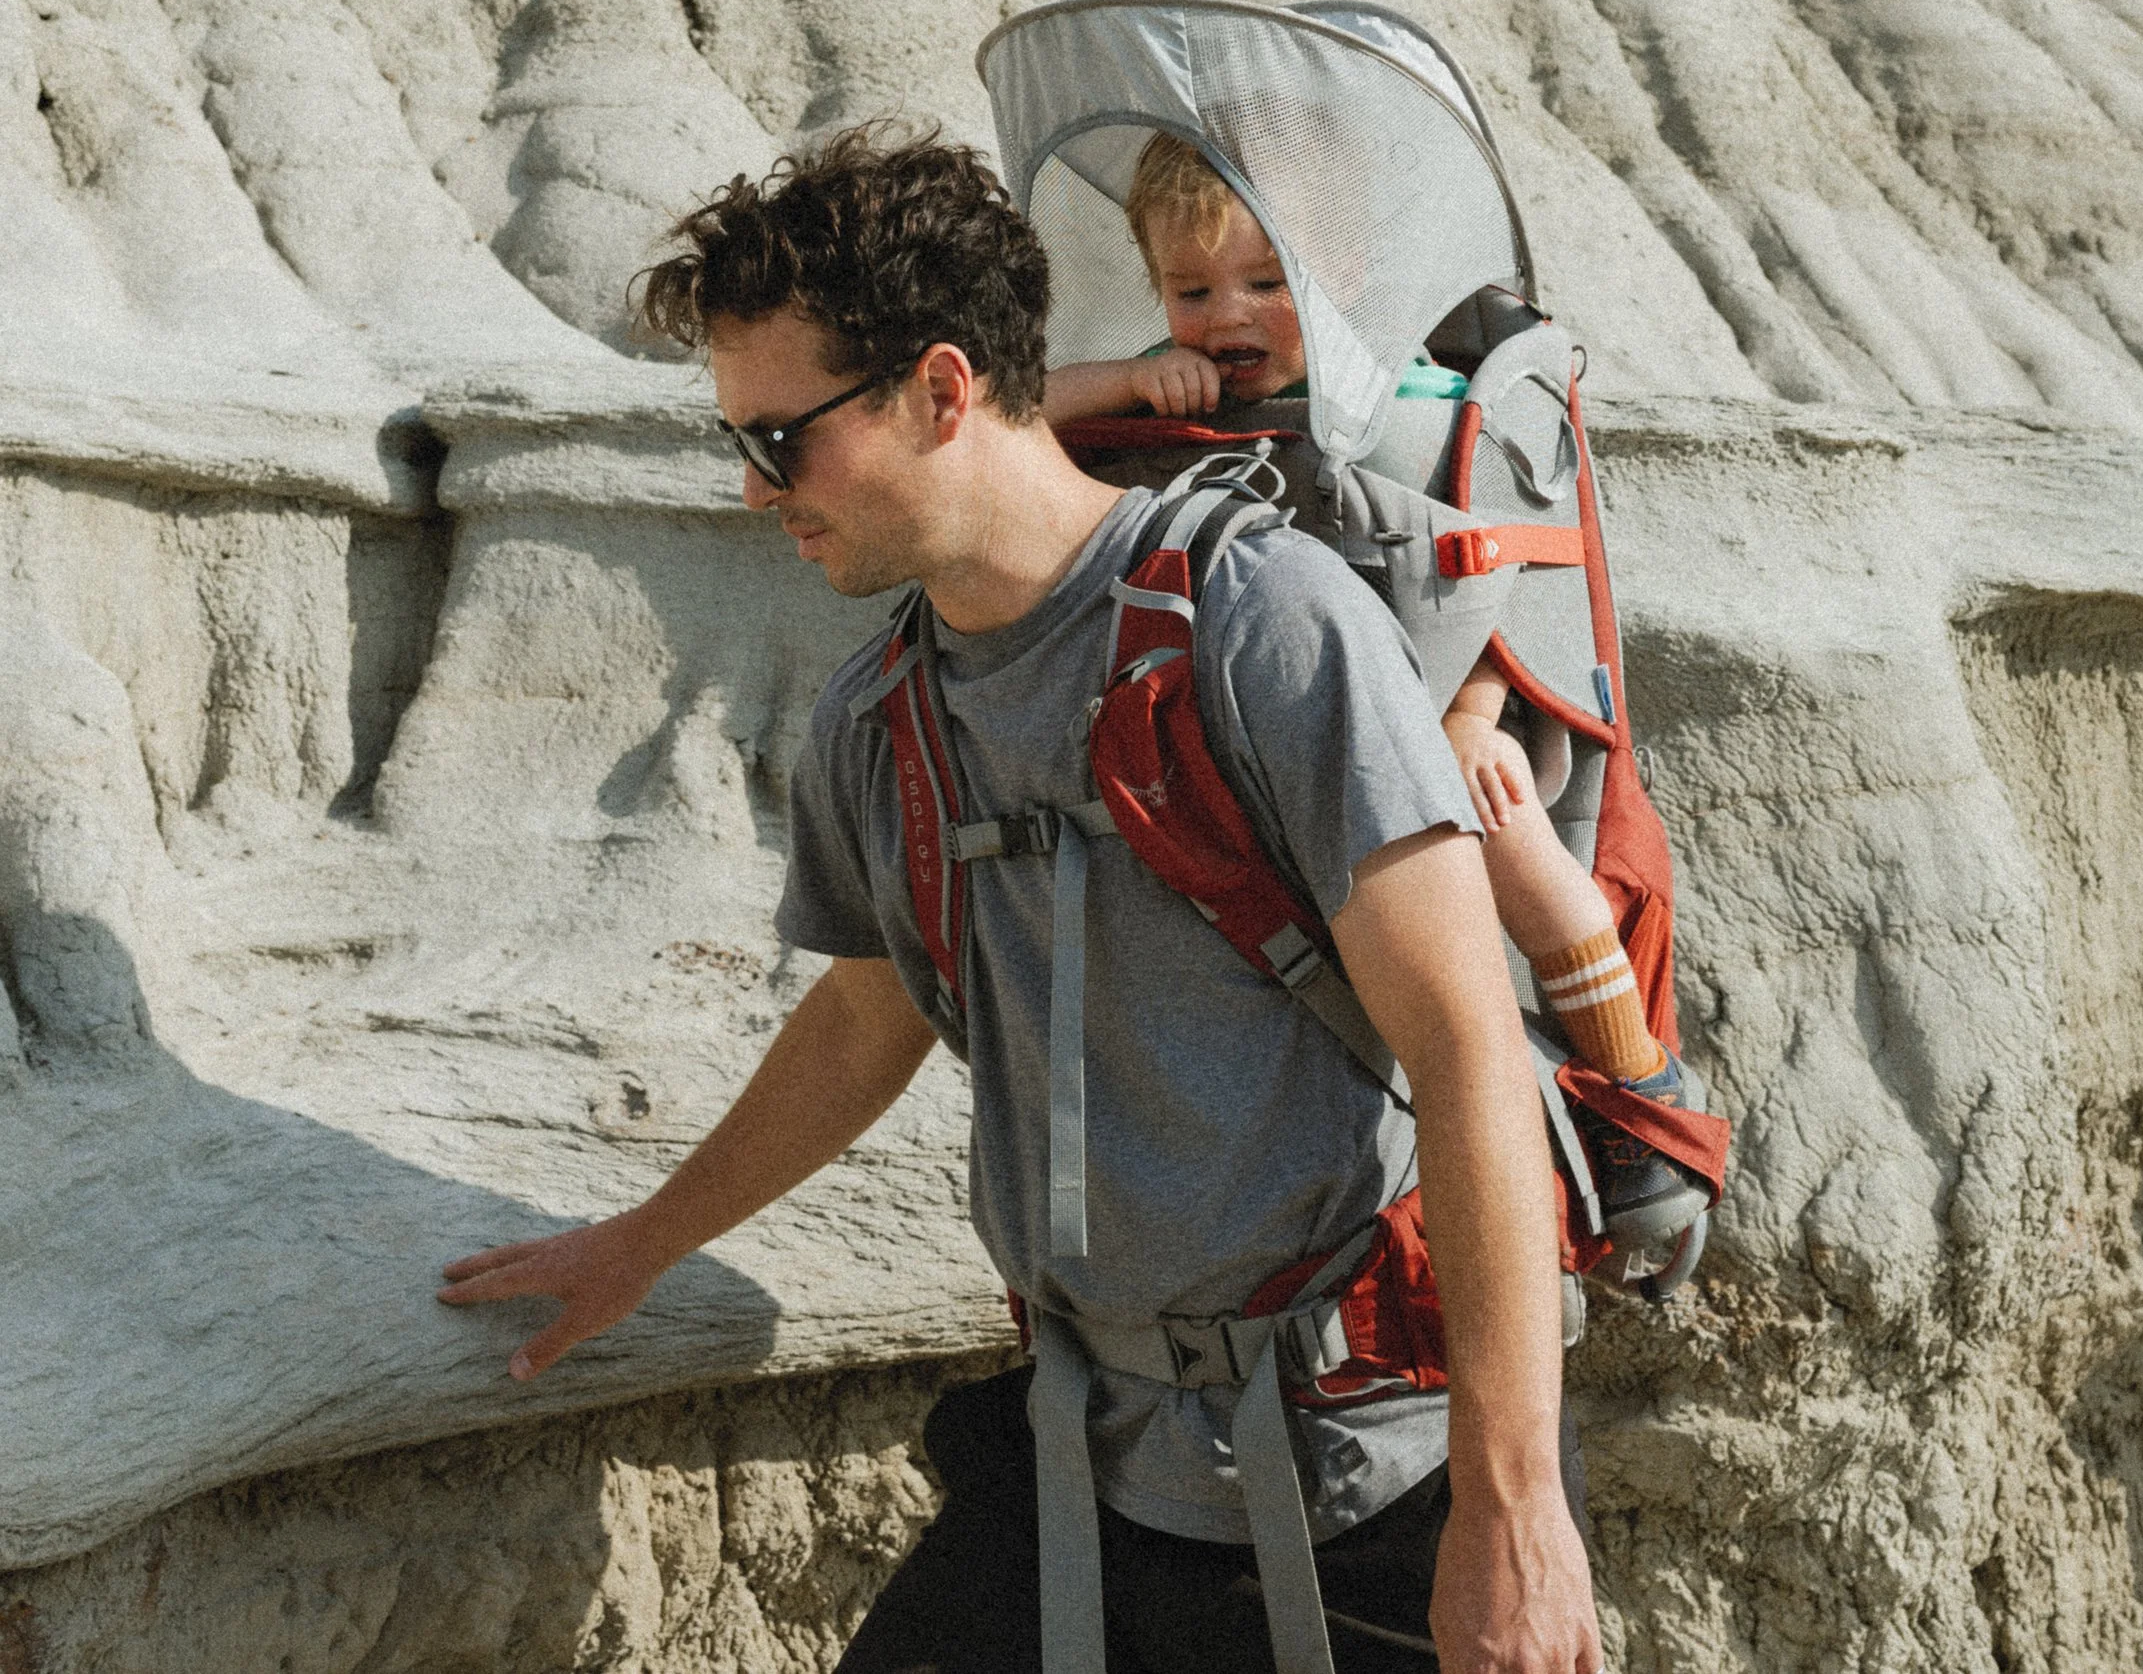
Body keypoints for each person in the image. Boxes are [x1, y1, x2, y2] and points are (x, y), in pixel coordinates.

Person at [439, 130, 1602, 1674]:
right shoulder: (883, 719)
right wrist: (647, 1239)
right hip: (1088, 1466)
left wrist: (1513, 1508)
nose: (751, 484)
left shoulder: (1263, 626)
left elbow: (1463, 1046)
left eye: (781, 437)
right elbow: (869, 1013)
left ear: (937, 387)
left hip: (1371, 1484)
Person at [1046, 139, 1681, 1120]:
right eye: (1191, 292)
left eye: (1267, 280)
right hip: (1261, 721)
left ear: (1342, 272)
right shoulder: (1168, 380)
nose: (1228, 318)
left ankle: (1637, 1087)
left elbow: (1493, 575)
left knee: (1516, 849)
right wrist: (1129, 387)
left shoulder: (1405, 391)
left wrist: (1473, 721)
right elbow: (1021, 424)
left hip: (1447, 700)